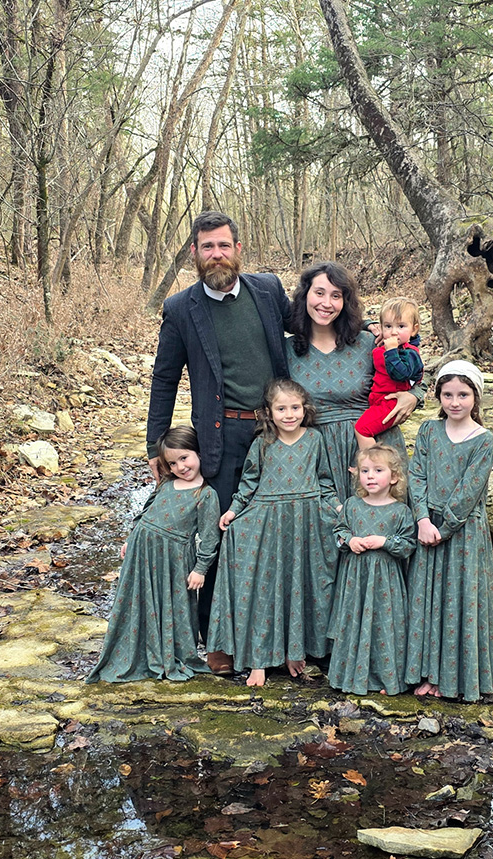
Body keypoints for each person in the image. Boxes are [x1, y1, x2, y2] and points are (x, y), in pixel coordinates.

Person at [146, 211, 292, 665]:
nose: (216, 254)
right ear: (194, 251)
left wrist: (388, 351)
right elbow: (164, 378)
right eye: (207, 246)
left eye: (223, 245)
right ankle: (221, 640)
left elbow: (313, 331)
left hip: (276, 430)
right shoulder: (181, 308)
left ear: (238, 249)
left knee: (280, 529)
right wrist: (157, 446)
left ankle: (286, 638)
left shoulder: (267, 291)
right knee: (219, 532)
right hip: (221, 433)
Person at [206, 379, 340, 687]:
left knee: (308, 583)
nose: (289, 414)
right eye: (281, 408)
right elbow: (249, 484)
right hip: (268, 522)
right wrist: (233, 511)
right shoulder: (263, 443)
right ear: (269, 412)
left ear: (304, 409)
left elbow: (325, 481)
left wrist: (338, 508)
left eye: (295, 408)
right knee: (267, 587)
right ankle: (260, 659)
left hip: (307, 521)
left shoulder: (315, 439)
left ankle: (300, 651)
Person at [87, 426, 219, 683]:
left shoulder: (206, 494)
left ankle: (169, 651)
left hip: (174, 558)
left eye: (184, 457)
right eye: (172, 462)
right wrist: (132, 537)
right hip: (142, 550)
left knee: (173, 604)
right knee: (139, 599)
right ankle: (135, 649)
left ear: (199, 453)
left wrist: (201, 568)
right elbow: (146, 510)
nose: (181, 466)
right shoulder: (167, 483)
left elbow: (210, 536)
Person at [405, 361, 493, 702]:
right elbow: (416, 474)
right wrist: (421, 519)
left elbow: (469, 491)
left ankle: (454, 676)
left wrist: (443, 527)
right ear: (438, 396)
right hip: (426, 526)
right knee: (427, 600)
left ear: (476, 397)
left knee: (456, 600)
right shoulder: (428, 431)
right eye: (447, 394)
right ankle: (427, 672)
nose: (455, 402)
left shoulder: (483, 440)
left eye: (463, 394)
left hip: (462, 534)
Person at [286, 262, 423, 504]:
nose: (326, 303)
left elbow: (414, 370)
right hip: (320, 454)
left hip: (375, 445)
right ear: (304, 295)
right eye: (319, 293)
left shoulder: (368, 343)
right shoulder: (287, 350)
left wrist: (415, 395)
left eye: (336, 296)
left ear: (345, 302)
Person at [327, 445, 416, 696]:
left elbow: (409, 544)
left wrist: (385, 542)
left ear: (394, 477)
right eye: (365, 471)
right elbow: (339, 531)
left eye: (378, 470)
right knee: (355, 624)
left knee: (384, 626)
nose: (370, 476)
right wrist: (349, 540)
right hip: (356, 580)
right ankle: (351, 677)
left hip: (386, 584)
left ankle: (387, 680)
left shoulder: (400, 511)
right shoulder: (352, 506)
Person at [355, 297, 423, 451]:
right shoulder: (381, 345)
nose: (393, 332)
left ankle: (371, 463)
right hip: (378, 400)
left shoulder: (409, 353)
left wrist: (391, 351)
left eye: (401, 326)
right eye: (388, 326)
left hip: (391, 403)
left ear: (414, 329)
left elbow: (401, 375)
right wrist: (368, 325)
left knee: (362, 429)